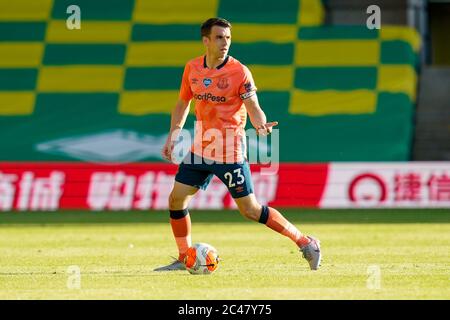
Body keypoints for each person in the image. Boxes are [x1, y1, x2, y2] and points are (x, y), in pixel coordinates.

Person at [154, 18, 321, 271]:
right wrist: (174, 132)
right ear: (206, 40)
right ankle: (184, 257)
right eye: (219, 37)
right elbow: (182, 102)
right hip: (201, 148)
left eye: (228, 38)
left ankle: (306, 242)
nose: (225, 43)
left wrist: (260, 124)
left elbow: (254, 107)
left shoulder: (239, 71)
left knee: (250, 210)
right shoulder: (192, 69)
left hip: (229, 150)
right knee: (176, 200)